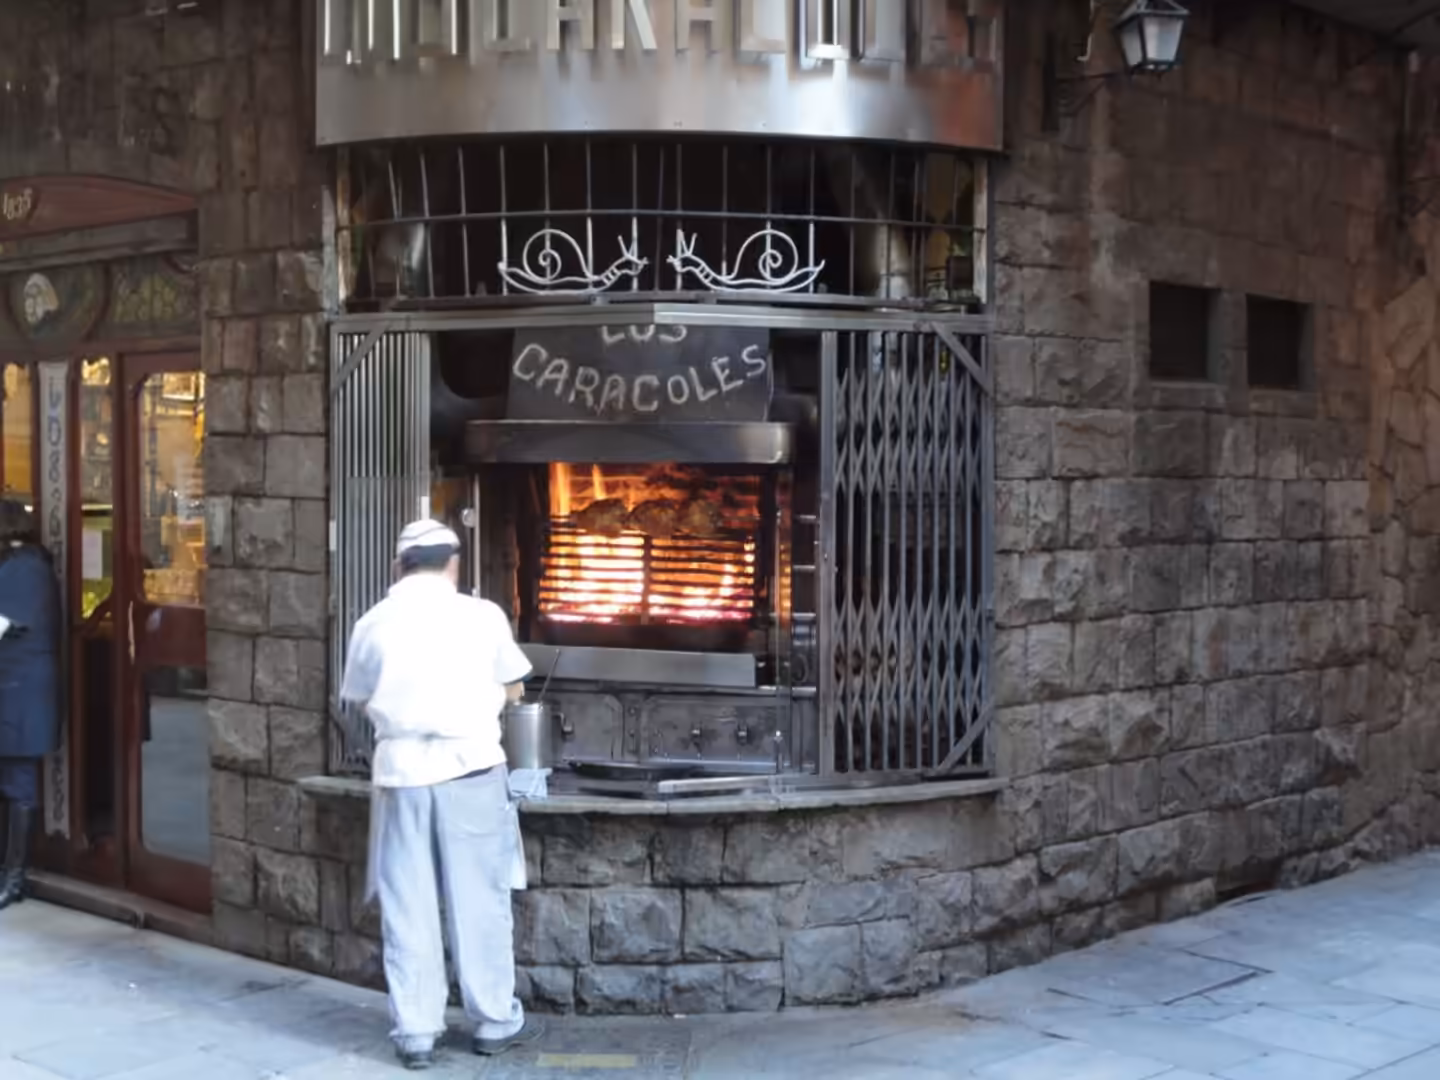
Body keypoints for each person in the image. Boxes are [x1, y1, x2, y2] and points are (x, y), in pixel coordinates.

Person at [339, 519, 543, 1070]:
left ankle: (416, 1032)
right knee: (480, 900)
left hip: (402, 774)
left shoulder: (373, 623)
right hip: (472, 767)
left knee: (408, 904)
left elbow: (357, 697)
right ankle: (494, 1020)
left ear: (398, 567)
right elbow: (514, 686)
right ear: (454, 564)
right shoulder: (482, 617)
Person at [0, 499, 60, 911]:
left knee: (18, 779)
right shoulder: (26, 564)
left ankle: (14, 877)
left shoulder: (23, 569)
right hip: (16, 686)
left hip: (19, 689)